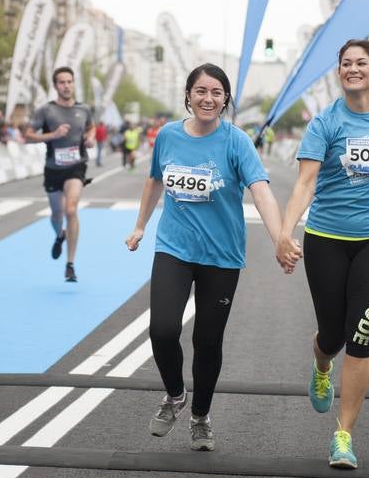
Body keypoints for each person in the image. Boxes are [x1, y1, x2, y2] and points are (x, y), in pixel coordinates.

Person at [125, 63, 296, 452]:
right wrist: (140, 226)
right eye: (201, 91)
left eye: (217, 92)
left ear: (225, 99)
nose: (208, 98)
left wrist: (280, 238)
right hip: (174, 248)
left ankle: (200, 417)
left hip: (221, 256)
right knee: (162, 330)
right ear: (188, 95)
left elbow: (261, 190)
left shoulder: (236, 142)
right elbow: (155, 180)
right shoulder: (168, 135)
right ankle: (175, 396)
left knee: (207, 340)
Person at [277, 39, 369, 468]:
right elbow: (305, 184)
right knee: (331, 336)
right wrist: (285, 232)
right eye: (346, 64)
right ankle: (320, 365)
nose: (353, 69)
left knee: (361, 334)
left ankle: (343, 435)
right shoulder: (325, 124)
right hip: (327, 239)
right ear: (340, 72)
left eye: (361, 63)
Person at [26, 67, 96, 282]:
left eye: (69, 82)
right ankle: (60, 234)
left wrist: (90, 138)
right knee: (57, 214)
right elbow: (28, 135)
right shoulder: (46, 111)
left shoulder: (83, 109)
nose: (66, 86)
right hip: (53, 168)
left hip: (76, 166)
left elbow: (91, 127)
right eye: (62, 82)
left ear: (73, 84)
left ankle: (70, 264)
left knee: (70, 209)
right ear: (55, 86)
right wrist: (53, 135)